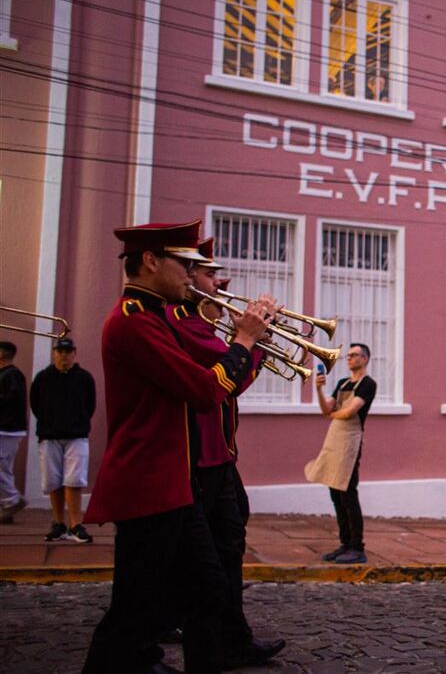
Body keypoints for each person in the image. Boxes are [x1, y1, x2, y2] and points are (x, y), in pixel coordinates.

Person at [82, 220, 269, 674]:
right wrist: (244, 339)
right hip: (148, 481)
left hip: (172, 481)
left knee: (203, 589)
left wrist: (248, 343)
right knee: (138, 604)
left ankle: (153, 659)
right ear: (150, 261)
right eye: (183, 264)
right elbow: (205, 390)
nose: (190, 274)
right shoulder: (133, 323)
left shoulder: (152, 317)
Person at [167, 237, 286, 668]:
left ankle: (233, 639)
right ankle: (190, 636)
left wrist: (255, 339)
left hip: (220, 457)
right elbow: (224, 380)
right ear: (188, 276)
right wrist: (248, 336)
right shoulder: (182, 323)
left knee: (228, 550)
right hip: (196, 461)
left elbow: (236, 383)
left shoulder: (206, 326)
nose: (220, 283)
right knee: (205, 565)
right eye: (211, 274)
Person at [310, 342, 377, 564]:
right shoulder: (341, 383)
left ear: (365, 359)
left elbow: (349, 411)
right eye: (348, 356)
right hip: (334, 440)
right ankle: (344, 543)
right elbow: (325, 409)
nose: (349, 359)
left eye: (354, 355)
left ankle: (357, 547)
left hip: (350, 442)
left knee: (348, 492)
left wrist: (333, 413)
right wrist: (319, 389)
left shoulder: (368, 384)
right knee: (335, 493)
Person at [29, 337, 96, 542]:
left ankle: (76, 524)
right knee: (53, 480)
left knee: (74, 479)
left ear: (74, 353)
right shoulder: (43, 377)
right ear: (54, 353)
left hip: (76, 435)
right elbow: (36, 404)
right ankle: (58, 522)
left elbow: (89, 404)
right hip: (50, 435)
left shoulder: (84, 378)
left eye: (67, 352)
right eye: (60, 351)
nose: (63, 355)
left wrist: (79, 422)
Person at [0, 340, 28, 523]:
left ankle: (12, 500)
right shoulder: (7, 374)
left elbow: (14, 398)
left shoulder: (12, 374)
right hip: (7, 427)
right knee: (4, 468)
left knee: (1, 466)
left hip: (8, 428)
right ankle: (8, 505)